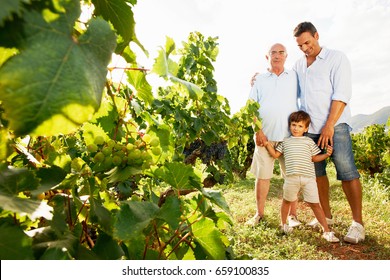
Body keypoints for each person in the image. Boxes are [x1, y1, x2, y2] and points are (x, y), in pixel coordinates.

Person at [292, 21, 364, 244]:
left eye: (308, 42)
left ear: (316, 36)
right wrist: (263, 76)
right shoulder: (298, 66)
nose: (305, 48)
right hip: (310, 130)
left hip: (337, 126)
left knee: (347, 171)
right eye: (300, 45)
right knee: (317, 174)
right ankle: (327, 217)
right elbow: (290, 90)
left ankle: (357, 224)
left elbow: (342, 94)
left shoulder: (336, 58)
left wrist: (330, 124)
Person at [246, 43, 301, 227]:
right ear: (267, 57)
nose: (277, 56)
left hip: (290, 137)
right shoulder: (260, 79)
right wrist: (258, 131)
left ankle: (293, 216)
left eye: (281, 52)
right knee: (263, 177)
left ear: (286, 56)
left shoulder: (294, 76)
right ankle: (259, 214)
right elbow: (251, 107)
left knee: (292, 177)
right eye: (273, 53)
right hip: (265, 137)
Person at [265, 111, 339, 242]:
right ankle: (283, 225)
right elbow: (276, 155)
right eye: (293, 125)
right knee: (286, 201)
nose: (296, 128)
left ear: (306, 128)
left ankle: (326, 231)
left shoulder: (309, 142)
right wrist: (267, 145)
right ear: (289, 126)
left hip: (308, 179)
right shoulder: (286, 142)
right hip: (291, 178)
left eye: (300, 126)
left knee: (315, 204)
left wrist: (326, 155)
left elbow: (315, 158)